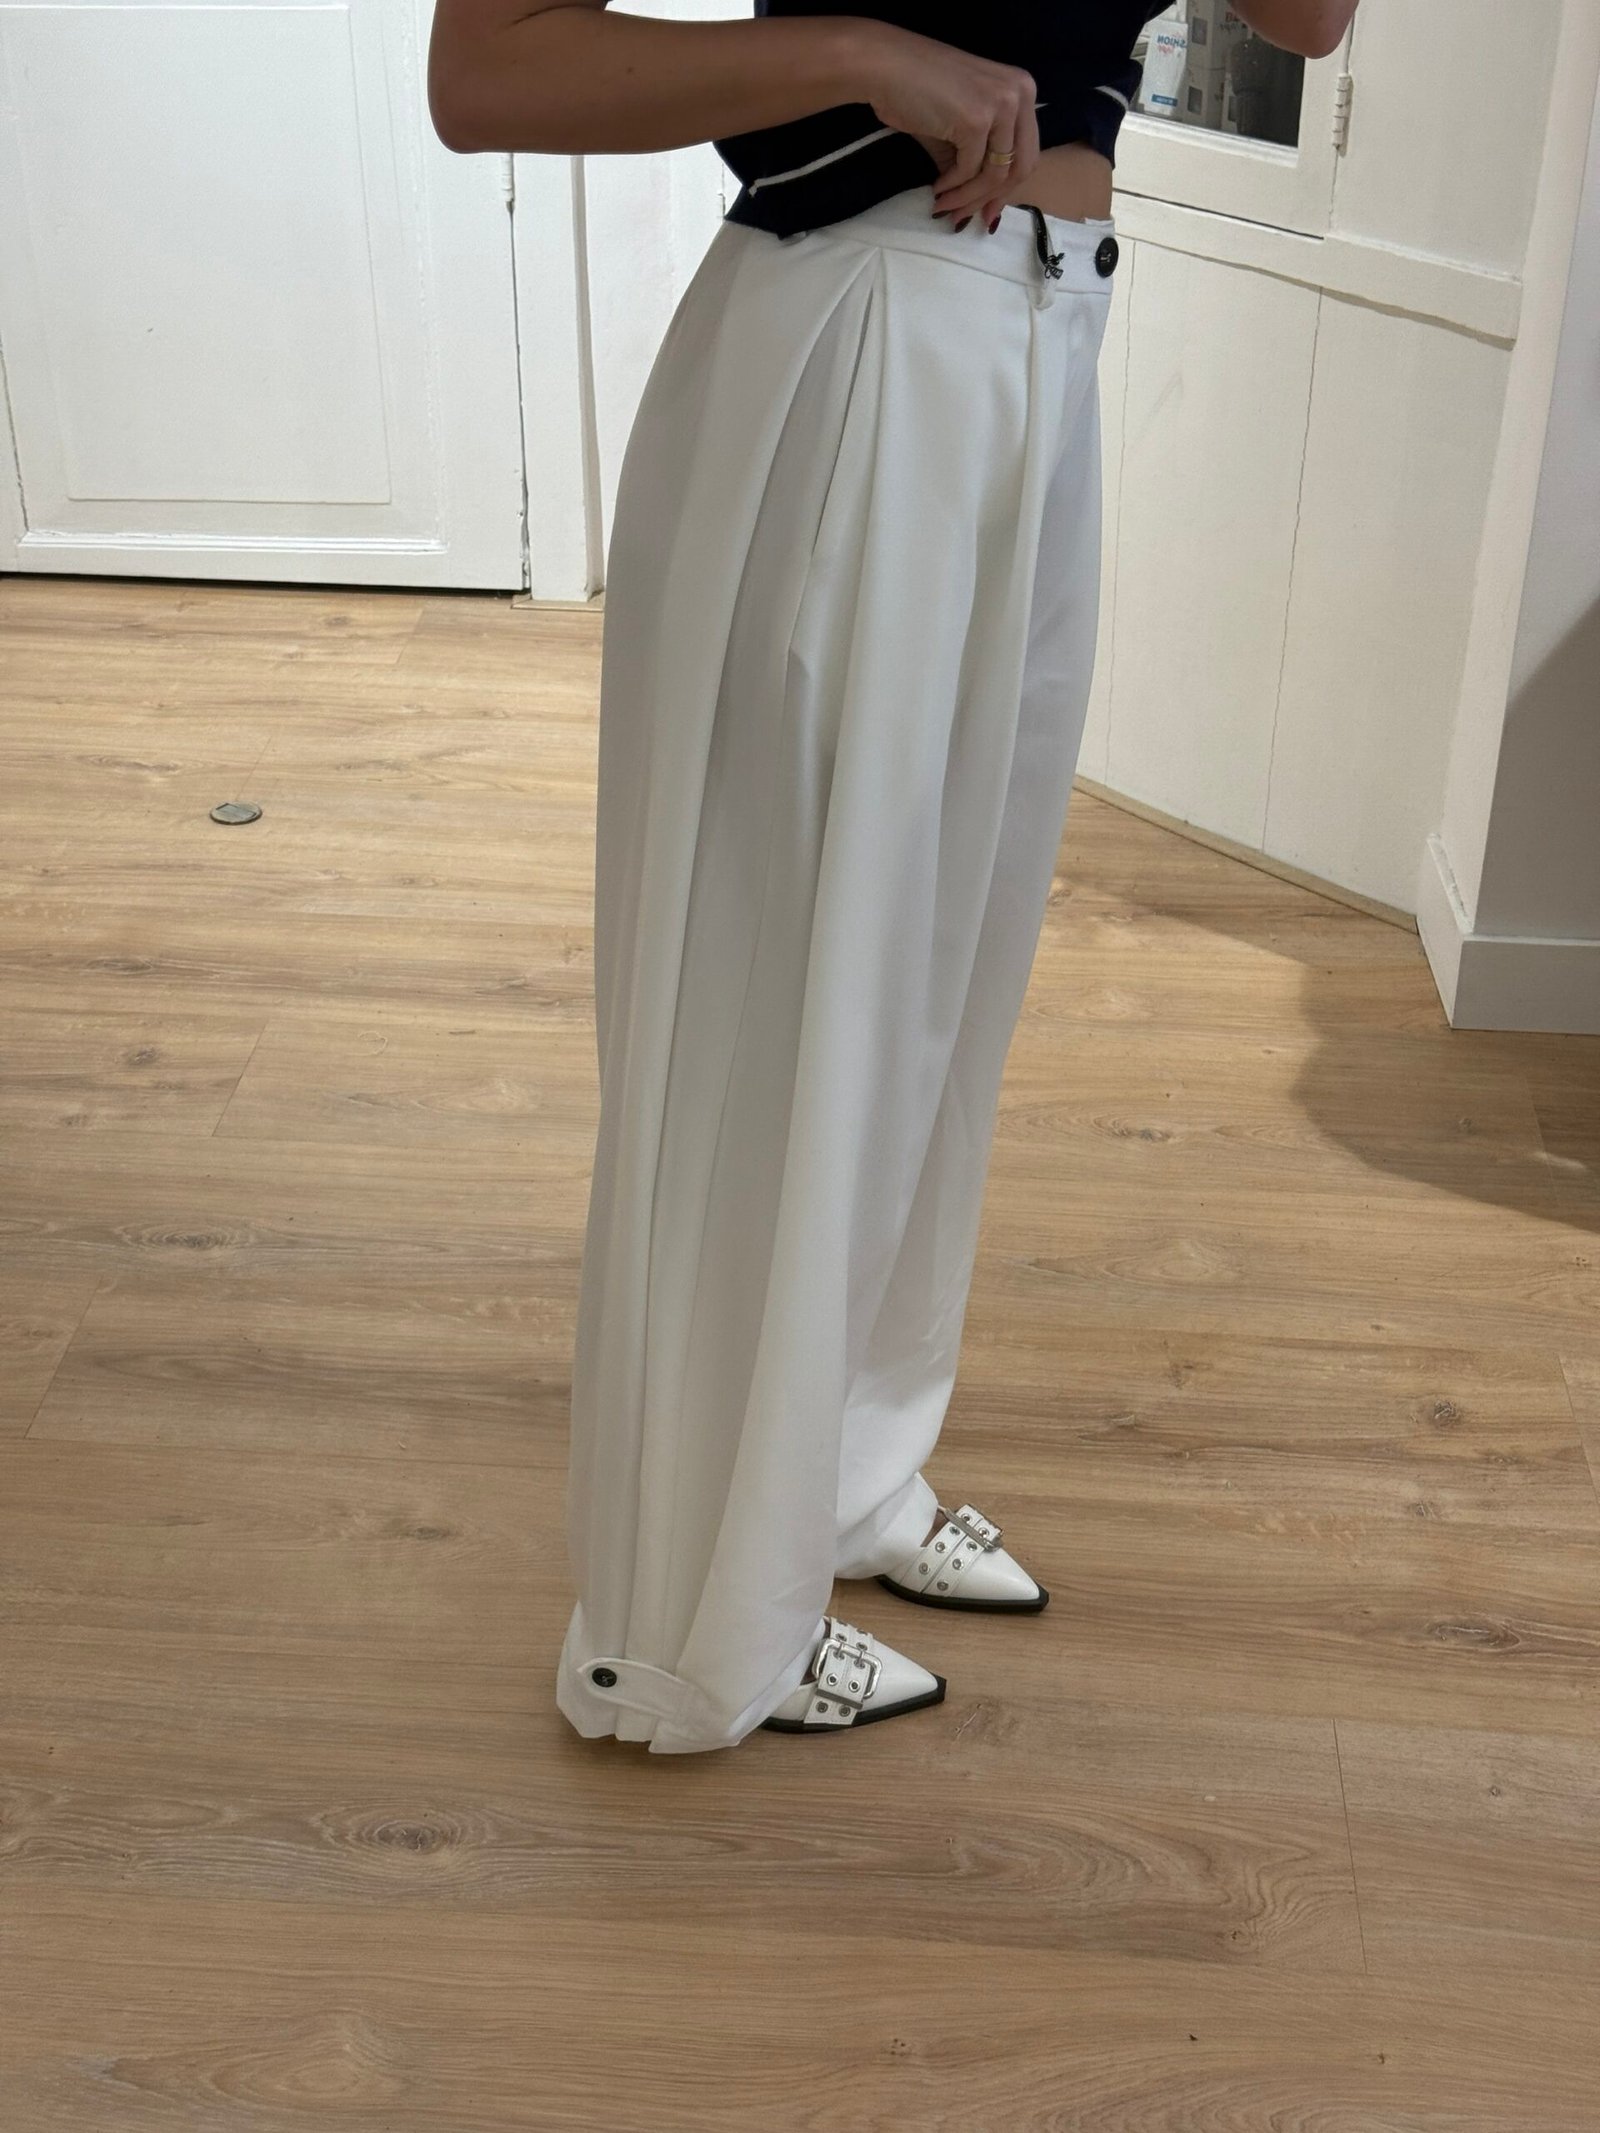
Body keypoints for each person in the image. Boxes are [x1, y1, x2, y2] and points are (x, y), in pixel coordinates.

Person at [427, 0, 1360, 1752]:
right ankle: (693, 1628)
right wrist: (862, 58)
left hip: (1044, 337)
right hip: (861, 333)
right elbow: (485, 73)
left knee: (939, 987)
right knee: (791, 1000)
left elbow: (1310, 21)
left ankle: (847, 1479)